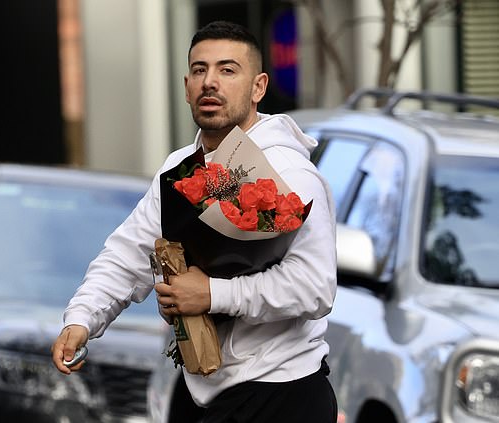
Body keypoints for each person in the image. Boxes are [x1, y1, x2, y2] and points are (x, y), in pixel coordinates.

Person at [52, 20, 338, 422]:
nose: (210, 83)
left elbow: (315, 287)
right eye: (200, 70)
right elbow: (128, 252)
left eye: (227, 70)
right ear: (186, 86)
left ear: (258, 87)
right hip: (201, 386)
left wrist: (213, 294)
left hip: (282, 390)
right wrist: (82, 318)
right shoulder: (179, 169)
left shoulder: (290, 172)